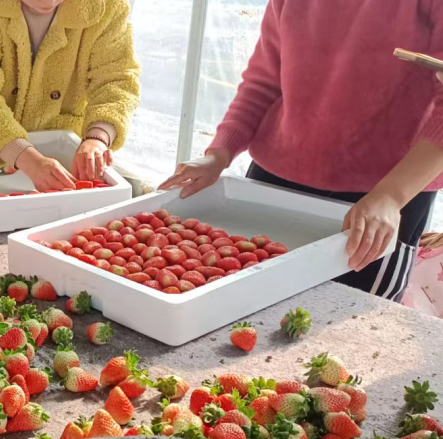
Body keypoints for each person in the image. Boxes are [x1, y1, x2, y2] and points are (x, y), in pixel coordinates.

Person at [160, 0, 443, 302]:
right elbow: (264, 81)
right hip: (273, 183)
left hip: (385, 198)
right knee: (239, 306)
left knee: (348, 325)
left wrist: (391, 195)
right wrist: (219, 154)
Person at [0, 0, 141, 191]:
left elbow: (117, 81)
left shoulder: (107, 7)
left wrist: (98, 137)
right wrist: (27, 159)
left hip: (61, 153)